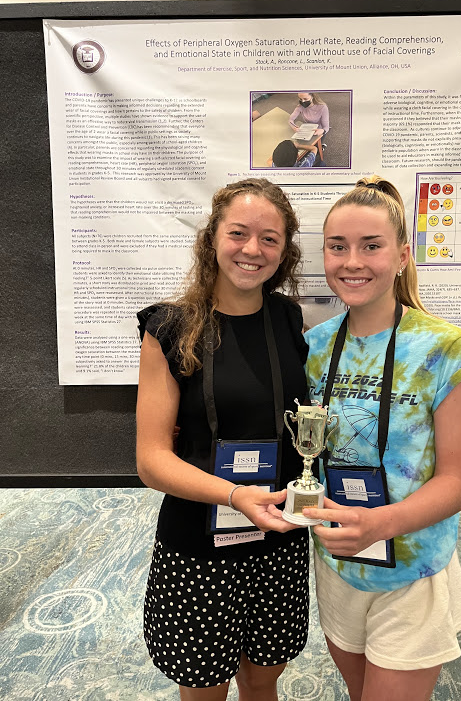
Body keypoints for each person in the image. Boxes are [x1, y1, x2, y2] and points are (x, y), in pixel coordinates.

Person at [302, 175, 461, 701]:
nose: (352, 261)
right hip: (337, 561)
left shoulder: (449, 350)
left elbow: (456, 484)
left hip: (411, 568)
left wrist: (379, 523)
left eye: (371, 246)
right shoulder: (314, 347)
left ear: (403, 254)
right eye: (338, 247)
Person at [136, 178, 310, 701]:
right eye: (238, 233)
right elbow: (150, 461)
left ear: (285, 251)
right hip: (199, 547)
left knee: (262, 682)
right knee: (206, 688)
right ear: (213, 238)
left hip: (278, 537)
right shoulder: (169, 328)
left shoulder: (288, 317)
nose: (252, 250)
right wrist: (235, 495)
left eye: (270, 239)